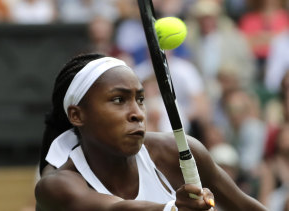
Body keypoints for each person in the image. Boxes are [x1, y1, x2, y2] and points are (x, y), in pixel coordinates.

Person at [35, 53, 267, 210]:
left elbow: (245, 206)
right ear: (77, 115)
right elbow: (117, 208)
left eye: (140, 99)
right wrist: (172, 208)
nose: (137, 113)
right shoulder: (56, 187)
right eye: (118, 100)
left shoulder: (179, 151)